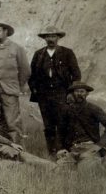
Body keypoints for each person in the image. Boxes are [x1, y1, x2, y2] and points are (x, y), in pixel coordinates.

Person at [28, 26, 81, 155]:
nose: (50, 39)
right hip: (44, 96)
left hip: (62, 93)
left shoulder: (67, 53)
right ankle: (51, 152)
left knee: (63, 122)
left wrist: (71, 93)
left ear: (58, 38)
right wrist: (36, 91)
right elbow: (32, 75)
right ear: (44, 39)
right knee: (48, 125)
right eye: (48, 36)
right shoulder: (38, 54)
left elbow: (76, 75)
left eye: (53, 36)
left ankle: (64, 151)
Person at [0, 22, 31, 143]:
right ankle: (1, 149)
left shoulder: (17, 48)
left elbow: (25, 70)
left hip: (10, 90)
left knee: (12, 122)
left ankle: (17, 151)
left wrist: (16, 86)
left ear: (6, 32)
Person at [57, 82, 106, 171]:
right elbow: (61, 131)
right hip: (72, 149)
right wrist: (60, 148)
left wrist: (99, 145)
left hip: (89, 148)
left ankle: (94, 163)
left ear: (87, 94)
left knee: (85, 171)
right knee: (59, 170)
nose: (79, 94)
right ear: (73, 93)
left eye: (82, 91)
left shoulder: (93, 108)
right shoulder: (67, 110)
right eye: (77, 91)